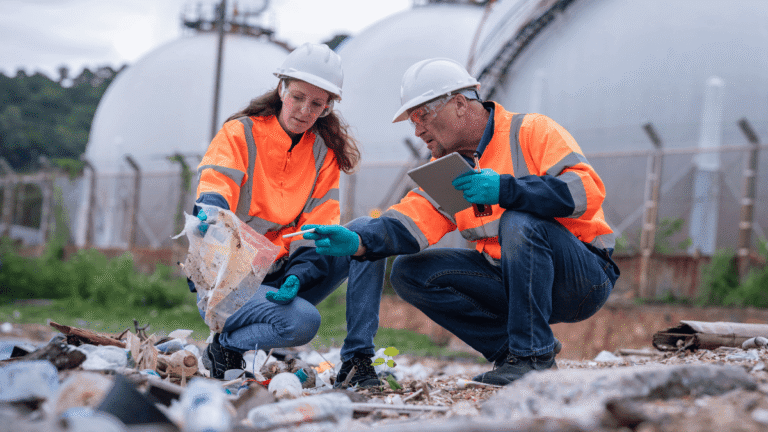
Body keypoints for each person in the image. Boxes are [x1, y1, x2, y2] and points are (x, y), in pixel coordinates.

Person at [302, 58, 621, 386]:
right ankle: (513, 355)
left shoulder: (531, 131)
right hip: (512, 282)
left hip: (581, 279)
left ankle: (532, 357)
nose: (418, 131)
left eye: (422, 116)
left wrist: (505, 189)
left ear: (458, 104)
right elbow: (414, 220)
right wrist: (360, 242)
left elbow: (586, 192)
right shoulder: (448, 167)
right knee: (411, 273)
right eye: (412, 121)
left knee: (519, 221)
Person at [191, 42, 382, 383]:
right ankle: (226, 344)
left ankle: (357, 362)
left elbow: (319, 228)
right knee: (302, 322)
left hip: (285, 274)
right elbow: (216, 189)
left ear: (327, 107)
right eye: (297, 97)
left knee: (368, 233)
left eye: (317, 103)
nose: (304, 110)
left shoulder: (324, 154)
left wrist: (301, 274)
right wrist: (211, 214)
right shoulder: (240, 133)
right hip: (230, 278)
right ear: (281, 89)